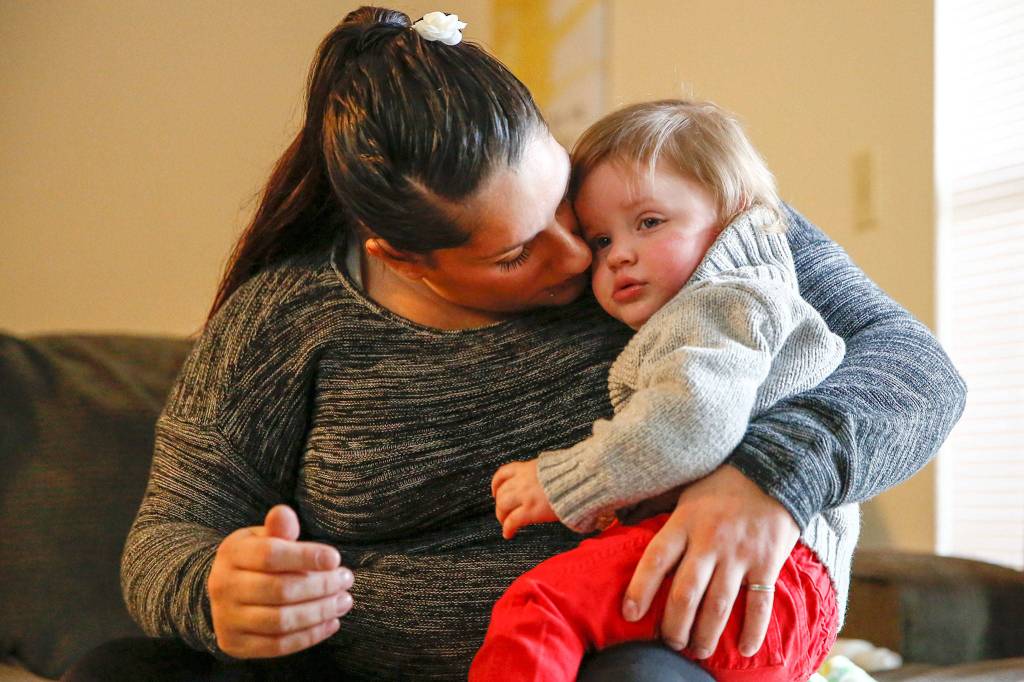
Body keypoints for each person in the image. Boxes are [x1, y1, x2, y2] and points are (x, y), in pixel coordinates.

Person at [63, 6, 965, 682]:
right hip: (346, 667)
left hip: (604, 657)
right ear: (403, 257)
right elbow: (166, 534)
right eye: (516, 251)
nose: (584, 255)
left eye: (562, 199)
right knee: (117, 670)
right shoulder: (281, 321)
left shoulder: (668, 214)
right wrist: (215, 590)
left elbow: (921, 372)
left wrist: (769, 474)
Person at [472, 99, 853, 682]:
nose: (618, 253)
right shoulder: (707, 305)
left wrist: (561, 480)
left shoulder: (725, 299)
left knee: (538, 609)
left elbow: (694, 420)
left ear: (732, 218)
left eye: (649, 223)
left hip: (757, 573)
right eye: (599, 240)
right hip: (773, 605)